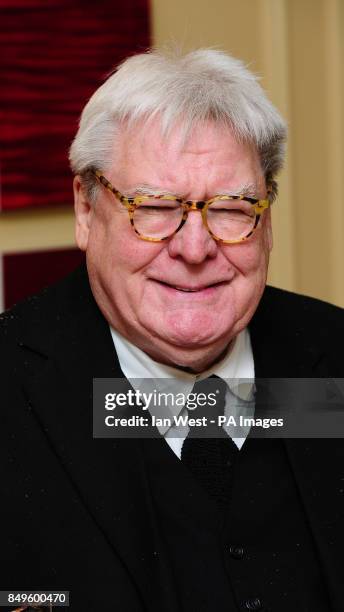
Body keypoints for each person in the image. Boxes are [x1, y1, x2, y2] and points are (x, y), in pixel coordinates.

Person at [1, 48, 344, 612]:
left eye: (233, 208)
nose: (194, 248)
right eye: (154, 206)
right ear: (86, 213)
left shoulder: (333, 355)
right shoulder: (11, 384)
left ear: (268, 219)